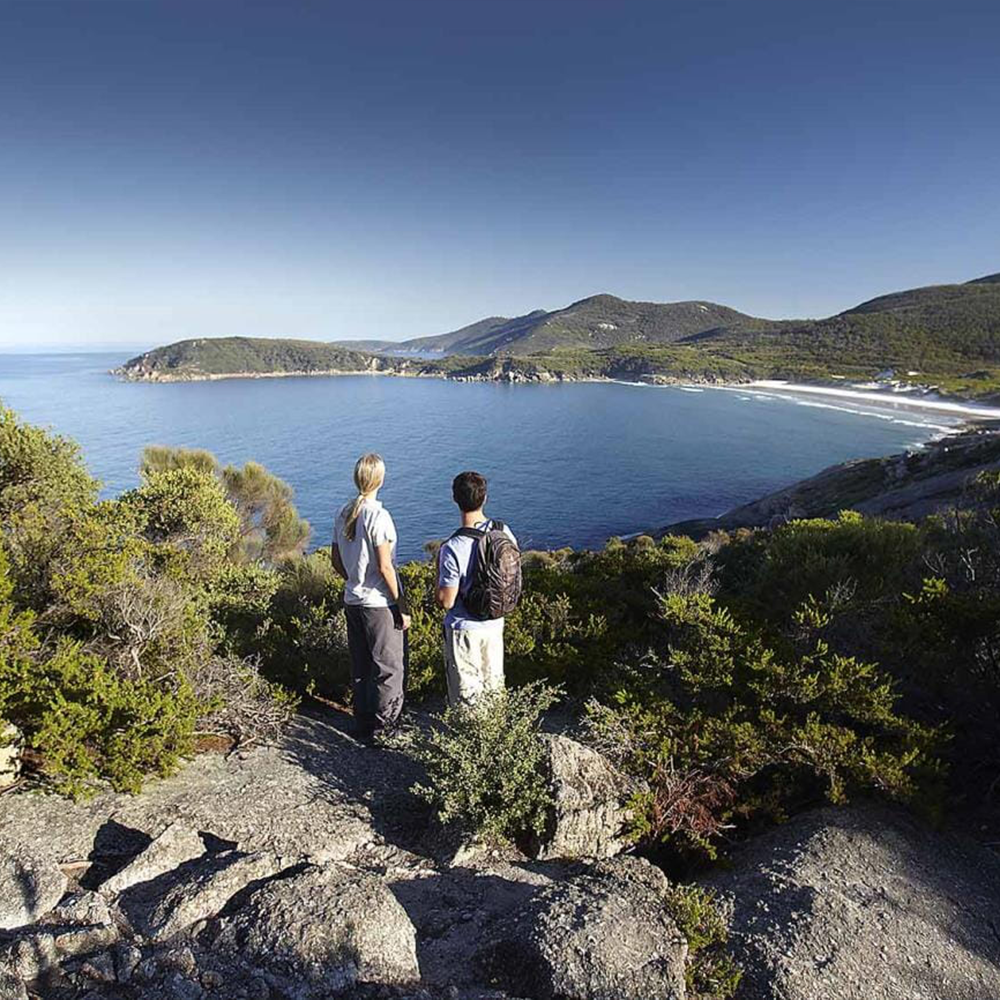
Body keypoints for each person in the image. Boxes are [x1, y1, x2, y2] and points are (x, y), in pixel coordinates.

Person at [331, 453, 410, 741]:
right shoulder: (379, 516)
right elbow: (386, 565)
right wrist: (402, 605)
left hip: (352, 600)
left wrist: (354, 580)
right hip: (379, 603)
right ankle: (385, 728)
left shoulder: (343, 512)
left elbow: (335, 560)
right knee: (388, 668)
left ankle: (362, 722)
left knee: (361, 664)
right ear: (380, 479)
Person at [435, 470, 518, 706]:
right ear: (485, 498)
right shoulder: (503, 532)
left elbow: (446, 600)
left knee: (467, 699)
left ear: (455, 500)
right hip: (495, 623)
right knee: (494, 690)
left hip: (465, 630)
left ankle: (471, 742)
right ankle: (497, 739)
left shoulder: (453, 547)